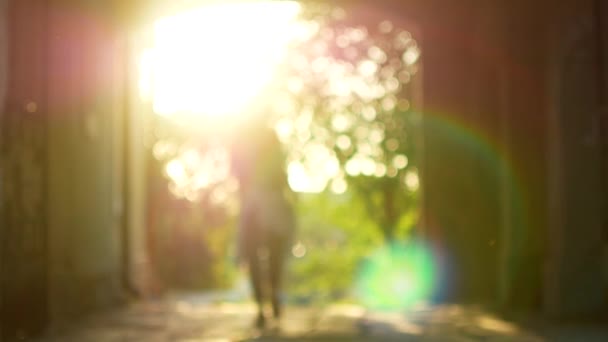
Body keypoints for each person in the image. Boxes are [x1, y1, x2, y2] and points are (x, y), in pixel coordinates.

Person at [230, 122, 295, 329]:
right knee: (262, 257)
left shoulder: (254, 139)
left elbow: (239, 175)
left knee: (262, 257)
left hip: (262, 205)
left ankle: (266, 302)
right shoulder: (255, 140)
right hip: (264, 205)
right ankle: (266, 301)